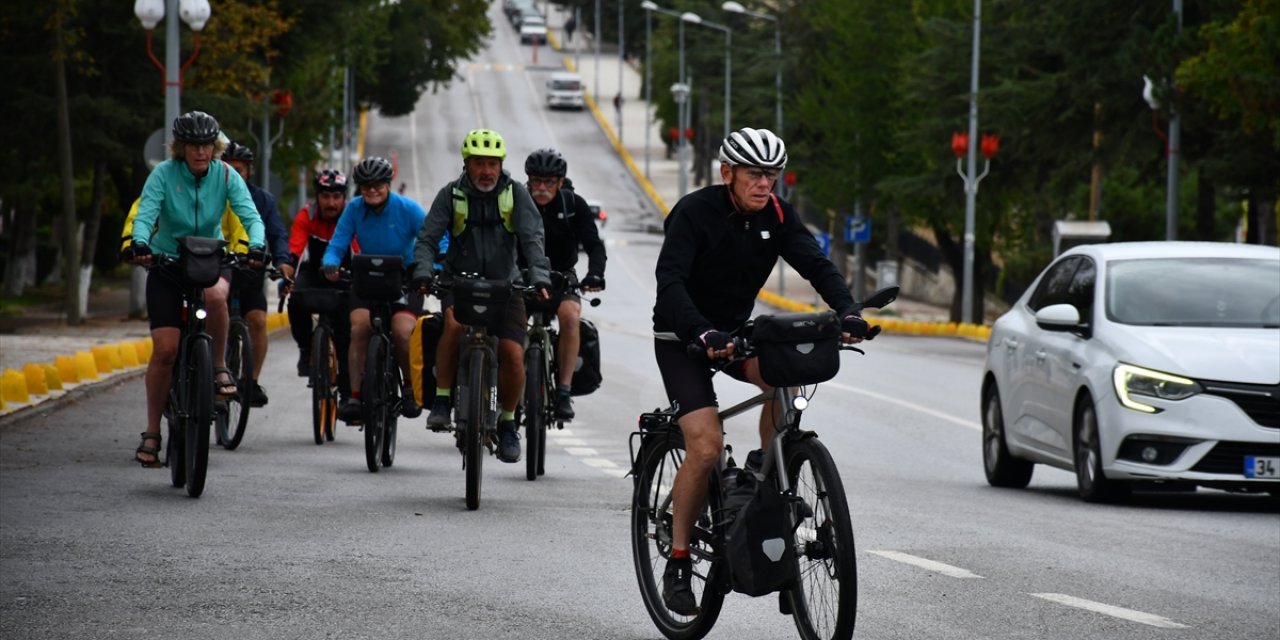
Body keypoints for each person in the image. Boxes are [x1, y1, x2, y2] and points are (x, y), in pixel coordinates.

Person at [651, 127, 872, 615]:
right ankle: (680, 561)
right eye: (754, 174)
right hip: (682, 338)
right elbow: (670, 283)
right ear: (727, 173)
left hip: (734, 334)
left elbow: (817, 265)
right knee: (706, 447)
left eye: (771, 175)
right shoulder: (694, 213)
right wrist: (701, 333)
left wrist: (848, 310)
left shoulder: (777, 215)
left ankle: (766, 467)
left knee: (785, 373)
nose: (764, 184)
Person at [123, 111, 265, 467]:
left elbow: (250, 216)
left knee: (217, 295)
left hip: (207, 261)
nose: (200, 152)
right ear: (181, 148)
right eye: (193, 146)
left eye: (206, 145)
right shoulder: (163, 175)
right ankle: (153, 432)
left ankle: (217, 366)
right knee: (166, 351)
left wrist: (257, 246)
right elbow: (146, 213)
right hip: (168, 264)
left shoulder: (227, 175)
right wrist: (140, 243)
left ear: (215, 147)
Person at [412, 129, 552, 464]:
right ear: (467, 164)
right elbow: (428, 238)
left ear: (501, 165)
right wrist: (422, 270)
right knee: (453, 327)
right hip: (459, 283)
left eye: (492, 163)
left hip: (507, 286)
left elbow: (533, 240)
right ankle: (443, 400)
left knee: (512, 353)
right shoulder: (452, 195)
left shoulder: (515, 194)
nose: (486, 170)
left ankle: (506, 423)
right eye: (479, 163)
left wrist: (540, 277)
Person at [322, 156, 427, 422]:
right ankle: (356, 396)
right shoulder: (355, 209)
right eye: (366, 185)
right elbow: (338, 243)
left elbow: (434, 237)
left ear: (388, 184)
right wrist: (330, 263)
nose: (372, 190)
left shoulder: (408, 209)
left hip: (405, 277)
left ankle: (409, 389)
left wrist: (435, 264)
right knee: (359, 328)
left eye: (378, 184)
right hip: (368, 276)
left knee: (403, 331)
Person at [522, 148, 606, 420]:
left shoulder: (573, 205)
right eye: (536, 181)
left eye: (549, 182)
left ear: (560, 183)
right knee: (504, 323)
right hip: (521, 276)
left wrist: (595, 275)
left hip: (561, 276)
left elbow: (594, 246)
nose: (542, 188)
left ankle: (564, 392)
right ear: (529, 181)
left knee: (570, 318)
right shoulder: (516, 202)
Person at [221, 140, 294, 407]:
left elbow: (277, 234)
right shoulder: (209, 195)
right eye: (226, 169)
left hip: (250, 272)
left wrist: (284, 262)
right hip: (215, 273)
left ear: (248, 171)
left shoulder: (262, 199)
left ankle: (249, 381)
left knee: (258, 320)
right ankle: (210, 371)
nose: (232, 175)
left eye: (238, 170)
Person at [287, 169, 357, 414]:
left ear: (343, 198)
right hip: (314, 273)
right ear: (317, 197)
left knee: (346, 334)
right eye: (325, 197)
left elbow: (358, 250)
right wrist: (287, 277)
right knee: (295, 300)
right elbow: (295, 250)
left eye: (336, 197)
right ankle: (306, 350)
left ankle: (348, 394)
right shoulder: (307, 214)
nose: (331, 203)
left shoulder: (352, 215)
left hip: (345, 275)